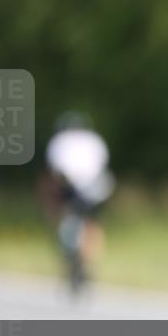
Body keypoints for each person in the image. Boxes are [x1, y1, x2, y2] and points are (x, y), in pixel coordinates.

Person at [38, 112, 114, 292]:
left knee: (63, 216)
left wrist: (51, 202)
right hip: (96, 187)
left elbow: (55, 172)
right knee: (92, 224)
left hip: (71, 186)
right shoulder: (94, 140)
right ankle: (89, 261)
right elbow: (102, 166)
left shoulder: (59, 141)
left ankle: (69, 257)